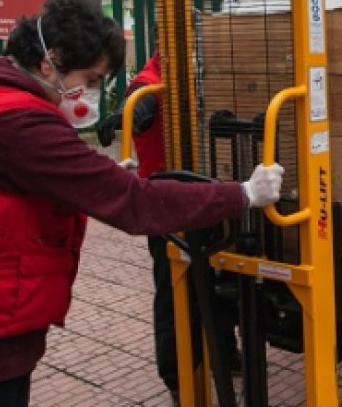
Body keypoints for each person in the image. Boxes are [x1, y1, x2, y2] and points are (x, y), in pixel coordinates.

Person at [0, 0, 282, 407]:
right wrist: (242, 193)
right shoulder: (17, 123)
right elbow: (135, 204)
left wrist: (93, 178)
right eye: (89, 80)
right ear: (48, 62)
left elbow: (20, 190)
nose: (91, 92)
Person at [96, 50, 241, 399]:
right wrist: (125, 118)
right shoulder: (150, 81)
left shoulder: (209, 77)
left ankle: (225, 352)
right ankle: (178, 378)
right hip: (167, 206)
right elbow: (141, 105)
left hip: (211, 198)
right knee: (174, 292)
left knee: (221, 281)